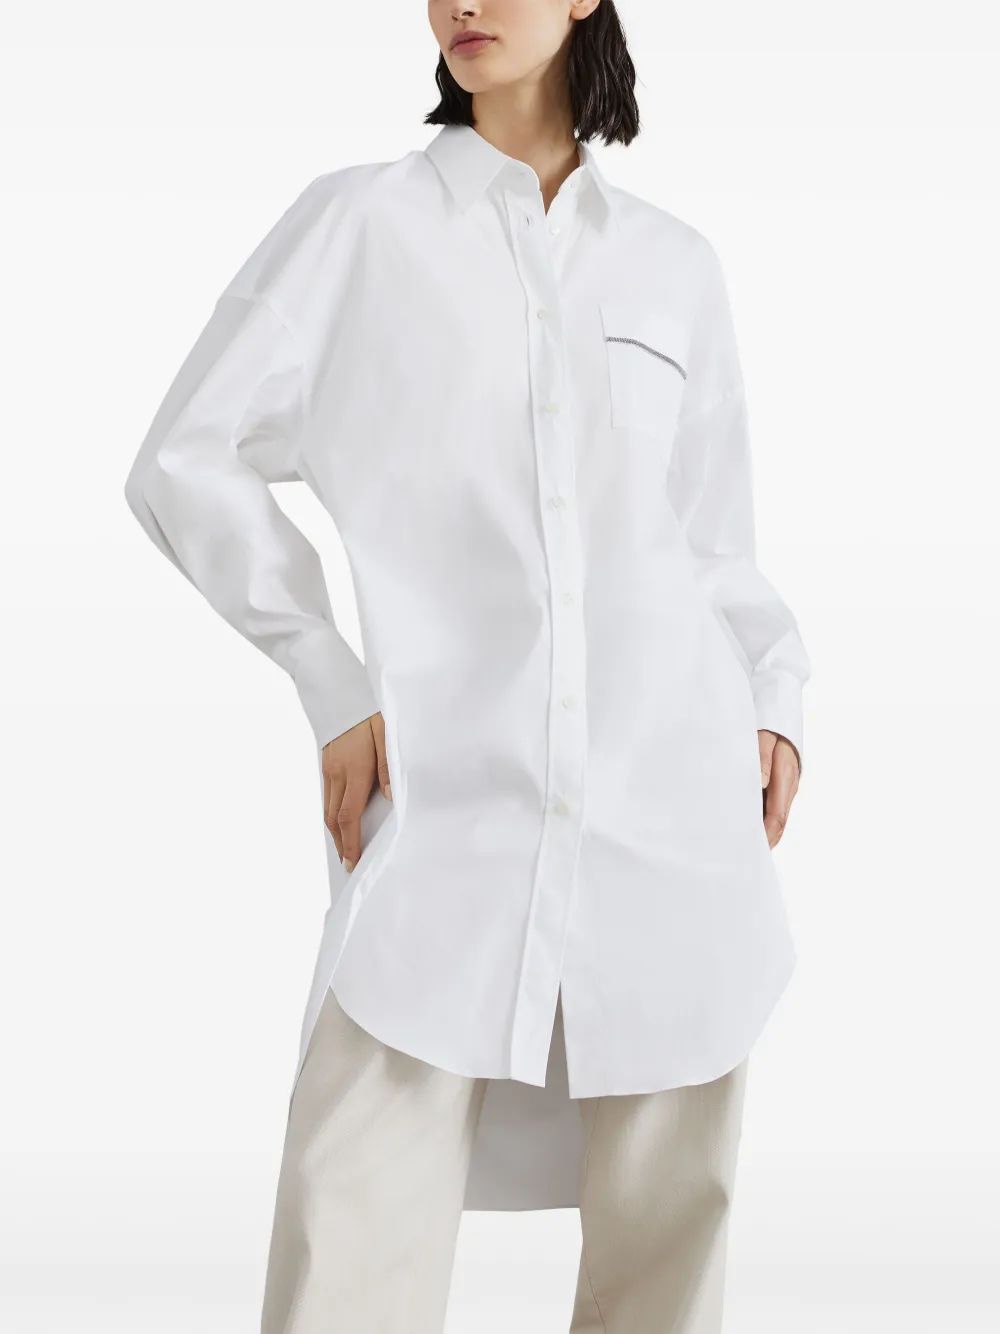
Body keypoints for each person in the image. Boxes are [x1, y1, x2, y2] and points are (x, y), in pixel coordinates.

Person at [124, 1, 811, 1330]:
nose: (463, 2)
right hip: (443, 812)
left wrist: (774, 695)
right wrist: (330, 680)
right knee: (348, 1231)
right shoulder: (359, 227)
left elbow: (712, 544)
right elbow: (183, 458)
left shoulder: (674, 267)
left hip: (675, 821)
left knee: (666, 1262)